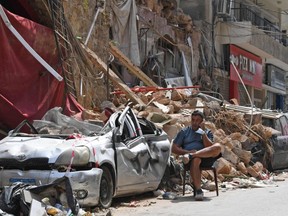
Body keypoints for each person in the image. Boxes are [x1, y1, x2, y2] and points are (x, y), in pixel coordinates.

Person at [172, 110, 221, 201]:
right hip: (189, 161)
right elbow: (174, 148)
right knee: (196, 159)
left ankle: (192, 155)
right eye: (193, 120)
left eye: (197, 120)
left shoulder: (207, 132)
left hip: (206, 159)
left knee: (217, 146)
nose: (194, 123)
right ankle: (198, 190)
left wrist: (203, 133)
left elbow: (209, 147)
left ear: (202, 122)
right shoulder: (184, 132)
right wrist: (187, 151)